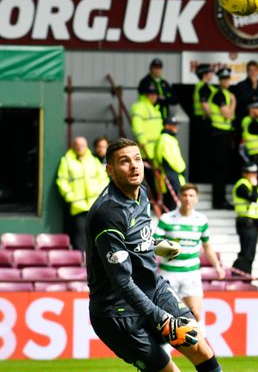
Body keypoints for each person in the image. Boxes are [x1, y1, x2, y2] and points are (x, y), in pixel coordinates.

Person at [85, 138, 222, 372]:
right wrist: (162, 319)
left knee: (199, 344)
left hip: (153, 289)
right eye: (124, 162)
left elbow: (135, 238)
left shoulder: (142, 193)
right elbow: (122, 282)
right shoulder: (107, 214)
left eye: (137, 159)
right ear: (110, 170)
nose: (134, 166)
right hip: (117, 311)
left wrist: (156, 244)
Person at [155, 183, 224, 323]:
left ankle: (195, 342)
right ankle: (164, 345)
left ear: (196, 199)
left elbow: (207, 246)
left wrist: (217, 266)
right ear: (179, 197)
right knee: (164, 315)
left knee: (196, 314)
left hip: (191, 273)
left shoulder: (201, 220)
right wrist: (167, 250)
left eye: (191, 195)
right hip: (169, 273)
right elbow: (154, 244)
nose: (188, 199)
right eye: (185, 195)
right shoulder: (166, 219)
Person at [57, 136, 108, 251]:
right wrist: (70, 196)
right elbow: (62, 181)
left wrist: (100, 196)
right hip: (78, 206)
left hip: (94, 205)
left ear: (86, 146)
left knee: (97, 233)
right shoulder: (66, 161)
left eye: (82, 145)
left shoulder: (93, 161)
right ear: (73, 146)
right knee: (80, 235)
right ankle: (82, 261)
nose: (80, 147)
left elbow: (103, 179)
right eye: (78, 145)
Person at [209, 68, 236, 209]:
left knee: (223, 169)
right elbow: (227, 115)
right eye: (223, 79)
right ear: (219, 80)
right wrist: (233, 102)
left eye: (227, 78)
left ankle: (221, 199)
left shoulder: (224, 93)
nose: (226, 81)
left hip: (224, 135)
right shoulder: (219, 94)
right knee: (220, 170)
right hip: (219, 135)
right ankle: (218, 201)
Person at [231, 164, 258, 275]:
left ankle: (246, 276)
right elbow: (253, 198)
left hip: (254, 224)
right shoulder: (242, 185)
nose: (254, 175)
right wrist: (254, 186)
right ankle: (237, 274)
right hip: (246, 223)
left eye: (256, 173)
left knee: (250, 254)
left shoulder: (253, 186)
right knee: (246, 252)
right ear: (245, 174)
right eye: (252, 173)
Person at [154, 116, 186, 211]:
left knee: (170, 205)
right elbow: (174, 160)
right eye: (174, 125)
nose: (176, 127)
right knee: (172, 207)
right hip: (172, 177)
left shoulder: (163, 139)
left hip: (167, 177)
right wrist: (183, 169)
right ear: (167, 126)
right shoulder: (167, 140)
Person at [191, 64, 215, 182]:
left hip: (200, 122)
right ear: (205, 74)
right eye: (210, 72)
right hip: (203, 122)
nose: (212, 74)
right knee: (204, 153)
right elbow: (204, 105)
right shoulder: (203, 87)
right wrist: (214, 117)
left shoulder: (200, 86)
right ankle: (203, 178)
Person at [130, 81, 163, 164]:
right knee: (148, 173)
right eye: (150, 94)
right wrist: (142, 140)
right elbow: (136, 124)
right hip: (146, 149)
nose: (153, 96)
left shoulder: (155, 109)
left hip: (156, 149)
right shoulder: (140, 106)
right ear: (145, 95)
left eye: (155, 94)